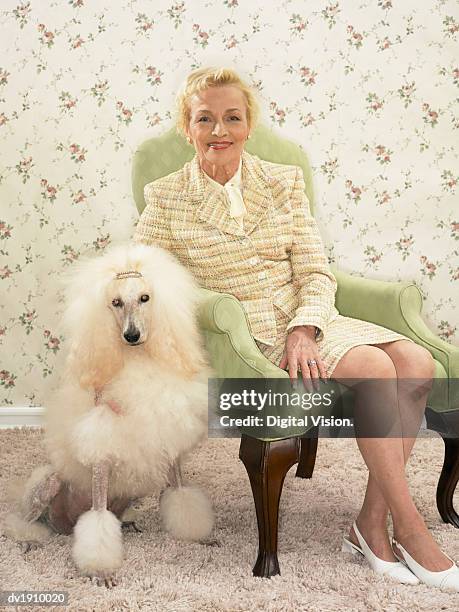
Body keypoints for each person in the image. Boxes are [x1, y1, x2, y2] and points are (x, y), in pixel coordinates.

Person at [132, 66, 459, 591]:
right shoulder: (166, 195)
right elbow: (140, 271)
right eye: (205, 119)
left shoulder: (281, 181)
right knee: (376, 366)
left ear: (248, 124)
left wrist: (305, 326)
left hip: (307, 315)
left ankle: (371, 523)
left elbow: (313, 268)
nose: (220, 130)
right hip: (246, 329)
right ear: (186, 127)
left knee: (419, 364)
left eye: (232, 118)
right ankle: (410, 528)